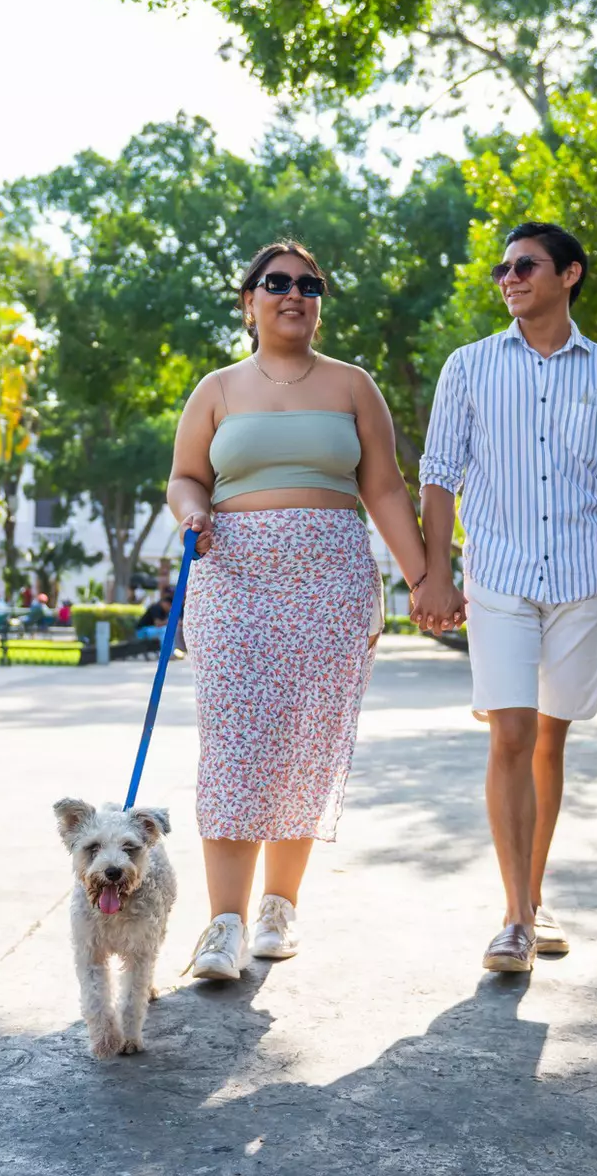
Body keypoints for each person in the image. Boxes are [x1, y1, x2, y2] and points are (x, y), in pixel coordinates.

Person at [167, 239, 432, 980]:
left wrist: (423, 579)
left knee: (304, 746)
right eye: (276, 282)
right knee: (234, 745)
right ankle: (223, 923)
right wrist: (193, 512)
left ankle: (277, 911)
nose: (294, 293)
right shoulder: (217, 389)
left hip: (331, 583)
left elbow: (383, 489)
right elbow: (186, 477)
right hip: (235, 579)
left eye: (309, 283)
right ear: (248, 301)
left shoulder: (354, 387)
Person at [410, 221, 597, 975]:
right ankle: (515, 917)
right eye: (503, 269)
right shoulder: (469, 366)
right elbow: (439, 473)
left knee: (551, 739)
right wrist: (435, 572)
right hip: (501, 579)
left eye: (525, 266)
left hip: (584, 582)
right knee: (511, 733)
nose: (509, 278)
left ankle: (535, 893)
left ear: (570, 275)